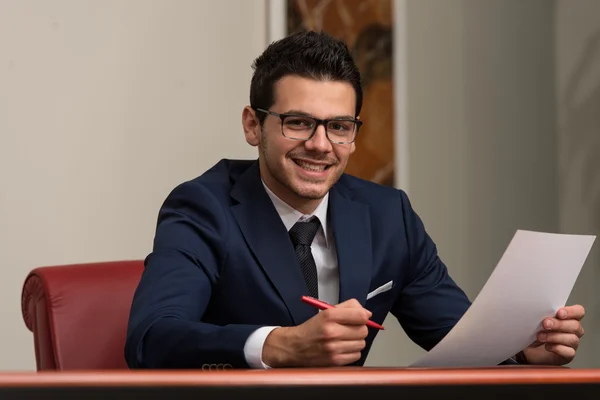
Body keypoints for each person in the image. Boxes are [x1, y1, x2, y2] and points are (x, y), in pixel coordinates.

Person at [124, 31, 585, 369]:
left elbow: (458, 340)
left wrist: (523, 350)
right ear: (252, 125)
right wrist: (278, 345)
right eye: (299, 122)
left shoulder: (389, 217)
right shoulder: (204, 208)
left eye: (339, 126)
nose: (321, 145)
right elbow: (151, 338)